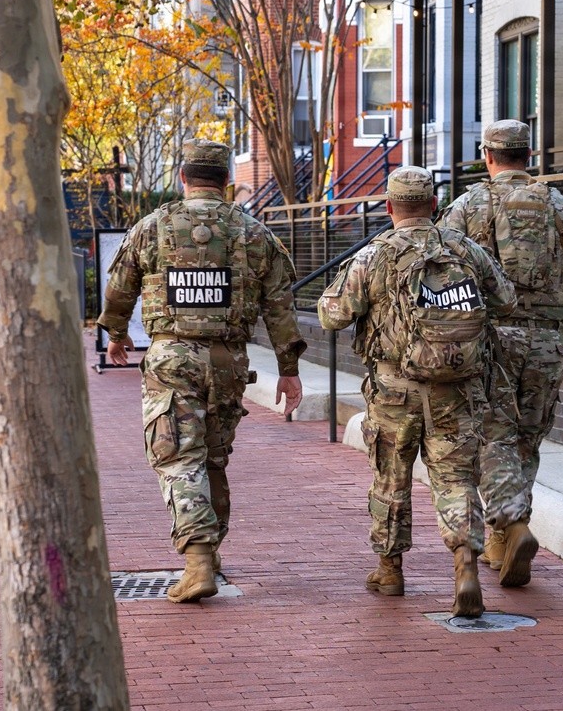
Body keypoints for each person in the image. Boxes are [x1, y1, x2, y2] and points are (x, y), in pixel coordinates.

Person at [98, 139, 306, 604]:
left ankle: (196, 560)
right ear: (229, 179)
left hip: (172, 358)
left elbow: (120, 289)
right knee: (213, 458)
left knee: (177, 458)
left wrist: (114, 334)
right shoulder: (255, 233)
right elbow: (280, 308)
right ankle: (211, 557)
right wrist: (289, 369)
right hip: (229, 361)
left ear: (182, 177)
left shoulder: (152, 227)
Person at [318, 166, 517, 618]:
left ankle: (390, 571)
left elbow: (334, 316)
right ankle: (465, 561)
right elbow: (506, 300)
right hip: (457, 388)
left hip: (393, 391)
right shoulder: (464, 249)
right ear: (434, 205)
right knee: (455, 478)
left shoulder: (373, 255)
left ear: (389, 207)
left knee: (391, 477)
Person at [439, 120, 563, 588]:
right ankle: (501, 540)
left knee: (494, 435)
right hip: (548, 341)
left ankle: (512, 525)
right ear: (528, 156)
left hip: (490, 341)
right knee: (528, 436)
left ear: (487, 156)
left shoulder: (467, 206)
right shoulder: (561, 206)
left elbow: (441, 273)